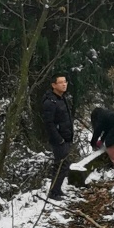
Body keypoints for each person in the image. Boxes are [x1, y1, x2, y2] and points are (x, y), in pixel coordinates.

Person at [42, 72, 74, 200]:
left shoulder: (62, 98)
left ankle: (57, 190)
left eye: (65, 82)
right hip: (59, 140)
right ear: (54, 85)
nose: (64, 84)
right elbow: (48, 124)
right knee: (61, 165)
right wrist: (59, 139)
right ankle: (53, 192)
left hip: (66, 137)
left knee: (63, 165)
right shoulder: (50, 102)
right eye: (61, 82)